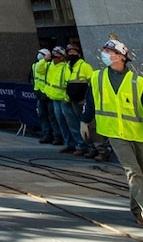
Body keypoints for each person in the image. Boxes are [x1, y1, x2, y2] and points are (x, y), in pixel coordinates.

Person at [81, 37, 143, 226]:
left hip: (138, 133)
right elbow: (90, 102)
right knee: (133, 172)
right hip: (115, 134)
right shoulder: (97, 77)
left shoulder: (137, 82)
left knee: (140, 173)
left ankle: (136, 210)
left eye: (109, 52)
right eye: (105, 51)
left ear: (120, 57)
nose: (104, 55)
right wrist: (84, 121)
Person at [46, 46, 86, 154]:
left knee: (72, 123)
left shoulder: (65, 67)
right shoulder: (51, 66)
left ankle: (80, 145)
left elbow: (69, 83)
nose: (54, 58)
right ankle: (69, 143)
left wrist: (67, 98)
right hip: (55, 98)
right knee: (62, 122)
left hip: (65, 99)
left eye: (57, 56)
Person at [65, 43, 97, 157]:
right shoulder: (68, 66)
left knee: (89, 125)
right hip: (73, 100)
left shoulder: (84, 66)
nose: (71, 54)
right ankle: (86, 147)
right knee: (78, 125)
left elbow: (92, 84)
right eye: (69, 52)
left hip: (83, 100)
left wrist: (89, 100)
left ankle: (93, 148)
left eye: (73, 52)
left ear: (78, 53)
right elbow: (67, 83)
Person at [32, 48, 56, 143]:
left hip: (48, 94)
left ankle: (56, 136)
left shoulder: (49, 65)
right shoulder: (35, 65)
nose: (39, 55)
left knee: (52, 116)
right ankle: (47, 135)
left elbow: (40, 69)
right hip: (39, 93)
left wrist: (45, 59)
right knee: (43, 116)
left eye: (41, 54)